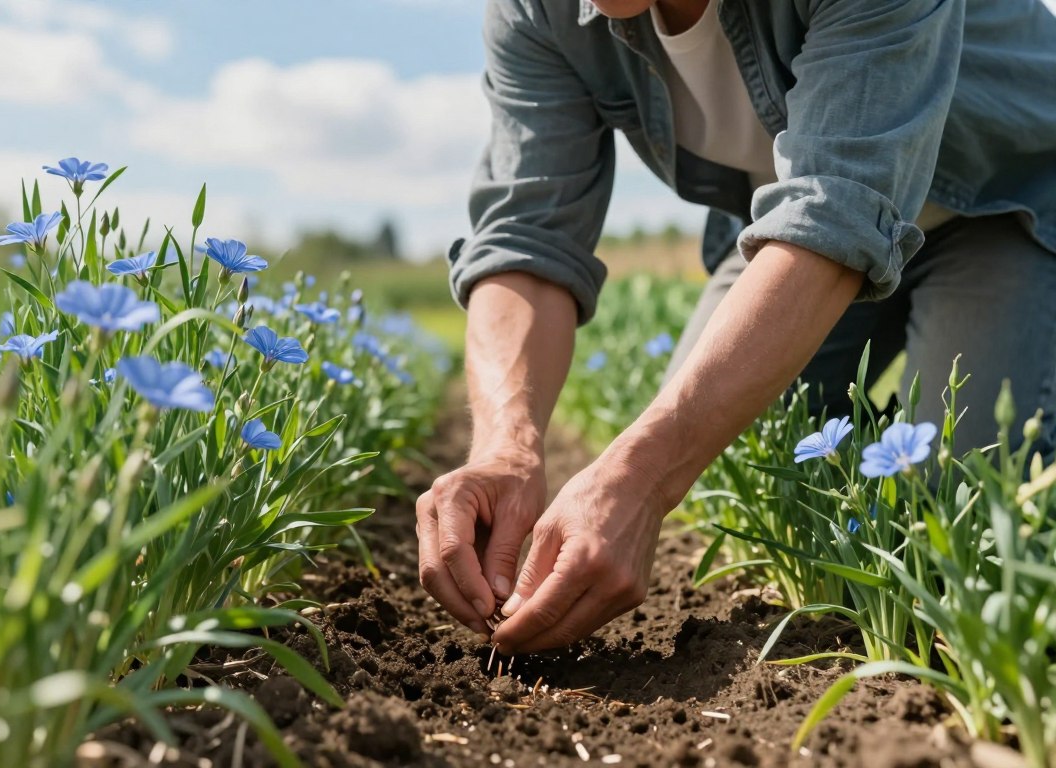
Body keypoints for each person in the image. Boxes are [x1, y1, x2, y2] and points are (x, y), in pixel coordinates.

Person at [418, 0, 1056, 656]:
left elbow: (837, 210)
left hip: (1007, 204)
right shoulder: (537, 11)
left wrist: (643, 475)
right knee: (734, 468)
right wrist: (506, 449)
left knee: (965, 510)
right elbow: (525, 237)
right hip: (799, 236)